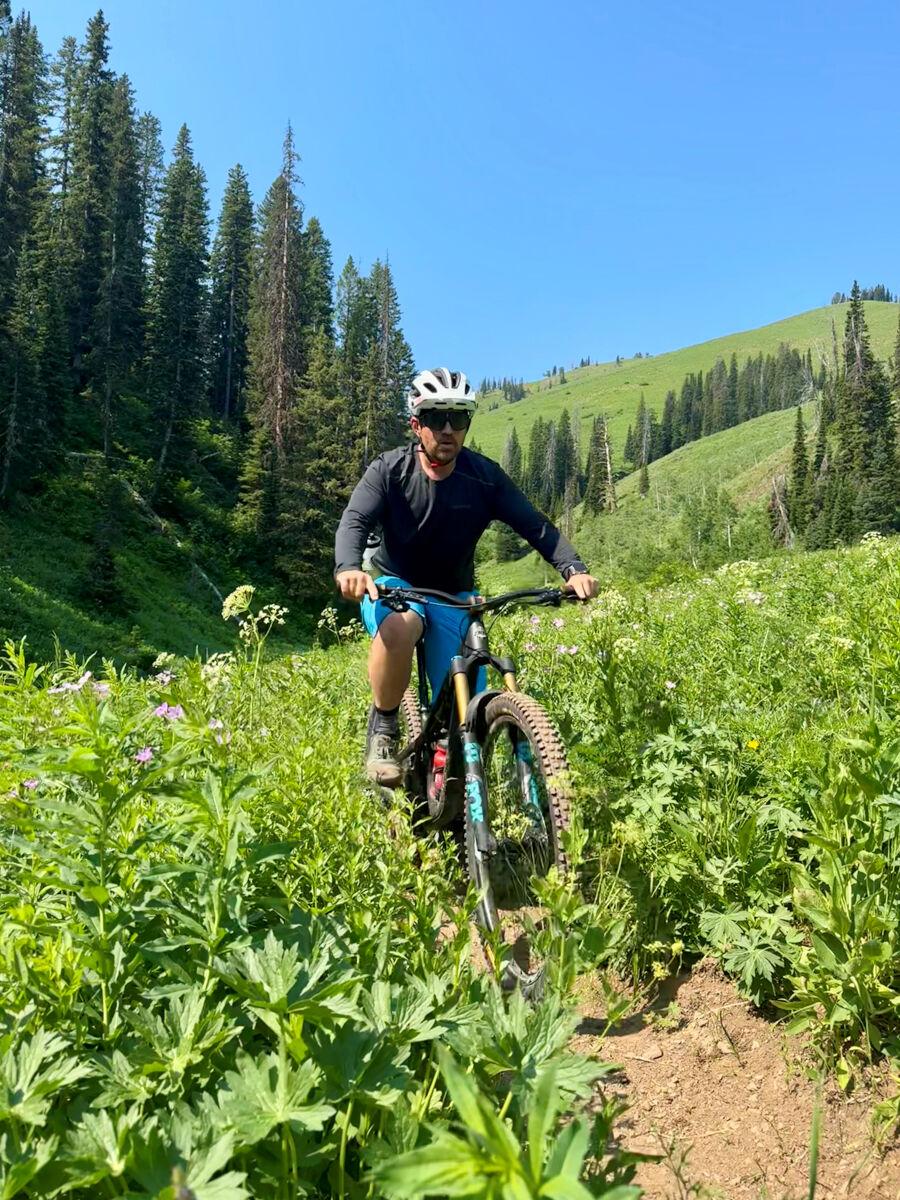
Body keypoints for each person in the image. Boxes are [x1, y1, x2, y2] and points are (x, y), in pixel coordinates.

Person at [334, 367, 599, 784]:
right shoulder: (389, 470)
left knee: (464, 706)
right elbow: (354, 521)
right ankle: (384, 730)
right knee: (400, 628)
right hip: (395, 585)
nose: (447, 429)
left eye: (458, 418)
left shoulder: (484, 477)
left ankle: (453, 786)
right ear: (415, 423)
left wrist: (574, 568)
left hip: (454, 594)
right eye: (436, 417)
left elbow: (535, 526)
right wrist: (349, 567)